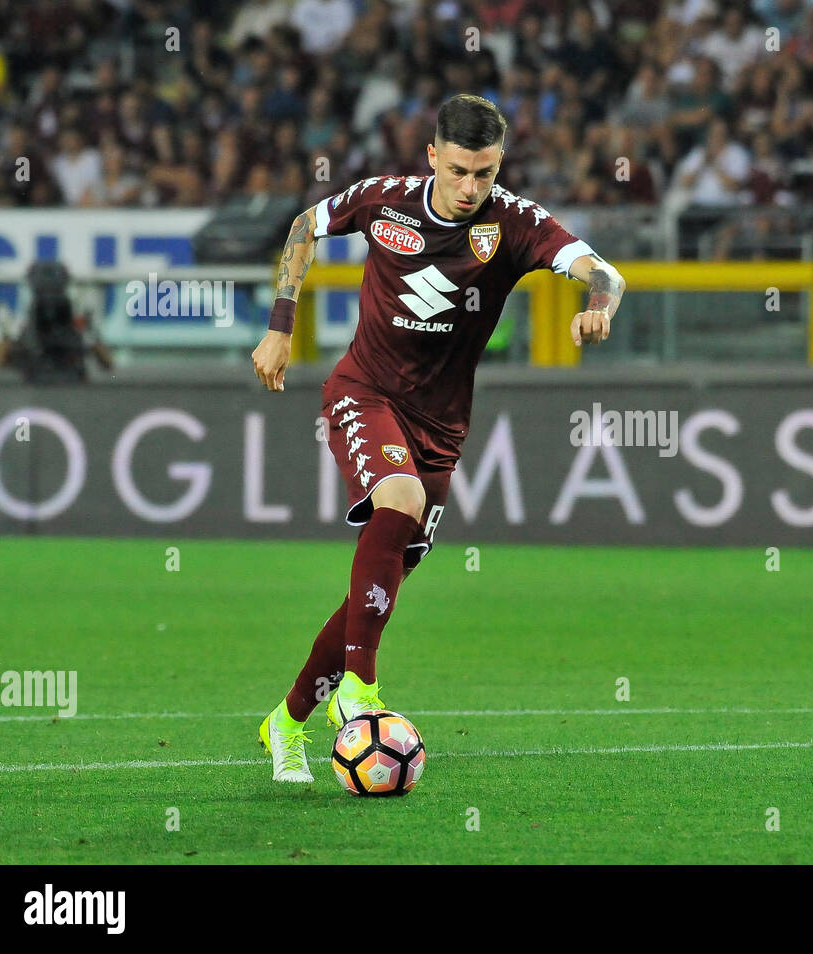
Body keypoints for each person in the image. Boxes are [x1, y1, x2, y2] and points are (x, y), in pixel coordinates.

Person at [250, 94, 626, 783]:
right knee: (397, 499)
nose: (470, 188)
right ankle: (361, 692)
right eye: (458, 171)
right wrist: (281, 324)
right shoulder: (384, 200)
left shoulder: (514, 223)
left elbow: (604, 271)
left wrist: (597, 303)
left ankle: (288, 719)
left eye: (484, 173)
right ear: (432, 157)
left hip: (442, 427)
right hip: (366, 392)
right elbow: (305, 224)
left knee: (382, 581)